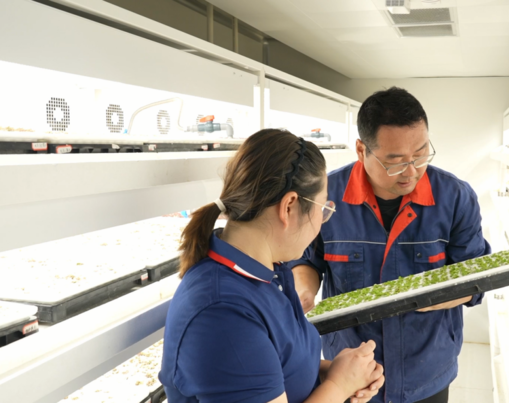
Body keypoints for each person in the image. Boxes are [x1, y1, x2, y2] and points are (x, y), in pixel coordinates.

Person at [290, 88, 491, 403]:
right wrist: (304, 291)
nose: (411, 172)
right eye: (395, 162)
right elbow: (305, 259)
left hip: (427, 371)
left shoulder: (455, 197)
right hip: (350, 368)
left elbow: (476, 279)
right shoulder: (326, 196)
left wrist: (437, 294)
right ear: (362, 150)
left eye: (421, 155)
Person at [159, 129, 385, 403]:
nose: (322, 220)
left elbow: (274, 366)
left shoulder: (270, 273)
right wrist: (340, 385)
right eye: (322, 209)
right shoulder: (222, 313)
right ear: (289, 206)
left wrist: (339, 372)